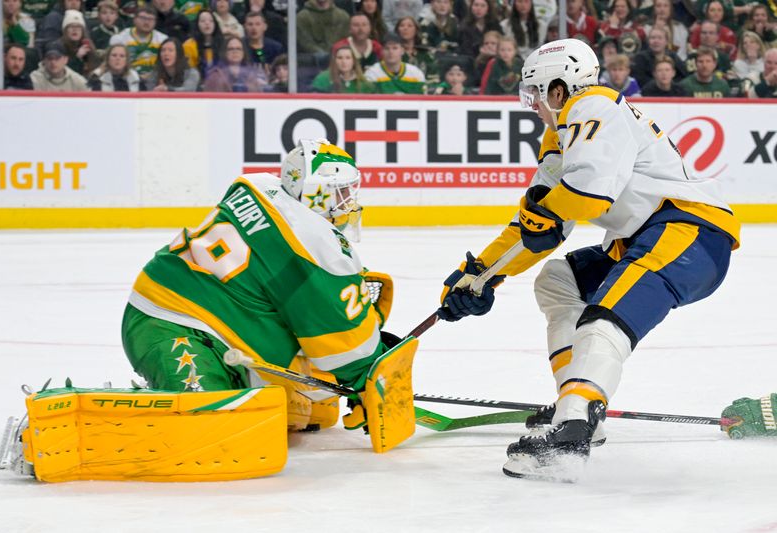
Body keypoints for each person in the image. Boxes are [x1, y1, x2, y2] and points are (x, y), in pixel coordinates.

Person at [436, 38, 739, 481]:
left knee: (604, 314)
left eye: (536, 95)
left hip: (688, 233)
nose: (535, 106)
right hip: (647, 237)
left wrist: (541, 215)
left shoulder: (592, 106)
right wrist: (480, 274)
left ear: (559, 89)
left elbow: (588, 194)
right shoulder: (565, 132)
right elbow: (541, 229)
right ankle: (574, 413)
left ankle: (573, 430)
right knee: (558, 281)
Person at [121, 139, 413, 439]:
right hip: (170, 322)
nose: (347, 202)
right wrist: (366, 380)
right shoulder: (311, 243)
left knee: (317, 409)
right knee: (208, 431)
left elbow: (287, 271)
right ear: (315, 193)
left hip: (228, 328)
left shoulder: (261, 188)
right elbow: (345, 347)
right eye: (340, 192)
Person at [110, 6, 168, 83]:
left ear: (155, 22)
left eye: (151, 19)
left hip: (155, 82)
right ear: (134, 19)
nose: (147, 22)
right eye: (143, 18)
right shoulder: (119, 38)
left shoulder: (163, 39)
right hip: (126, 81)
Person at [202, 34, 269, 91]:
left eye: (238, 49)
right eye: (231, 49)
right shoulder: (215, 75)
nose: (235, 51)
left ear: (243, 52)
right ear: (225, 52)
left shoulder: (253, 75)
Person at [311, 44, 375, 93]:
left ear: (353, 61)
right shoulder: (323, 79)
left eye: (348, 58)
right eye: (340, 58)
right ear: (334, 60)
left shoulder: (365, 84)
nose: (344, 62)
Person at [395, 16, 437, 84]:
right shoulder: (392, 53)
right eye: (402, 25)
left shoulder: (425, 54)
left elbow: (433, 79)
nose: (405, 28)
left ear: (416, 30)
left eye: (410, 26)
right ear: (397, 30)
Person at [183, 9, 224, 78]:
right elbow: (189, 73)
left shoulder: (223, 44)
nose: (207, 23)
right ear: (197, 25)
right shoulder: (188, 45)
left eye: (211, 21)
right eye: (203, 21)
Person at [59, 9, 100, 77]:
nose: (75, 30)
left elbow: (96, 67)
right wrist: (77, 57)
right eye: (71, 26)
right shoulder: (58, 46)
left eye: (78, 27)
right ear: (65, 30)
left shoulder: (87, 44)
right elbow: (60, 71)